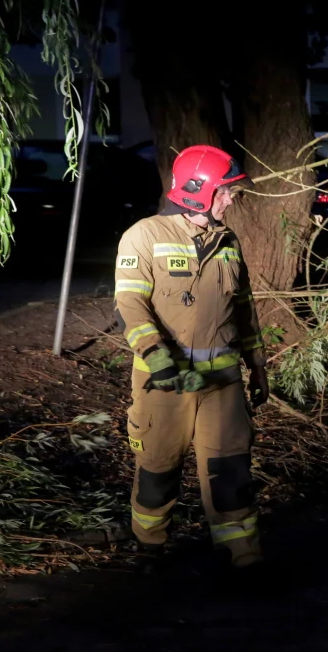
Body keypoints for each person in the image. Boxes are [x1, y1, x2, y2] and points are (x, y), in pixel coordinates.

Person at [112, 144, 269, 573]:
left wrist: (257, 366)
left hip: (222, 385)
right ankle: (149, 547)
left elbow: (243, 307)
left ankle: (244, 556)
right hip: (165, 383)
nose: (232, 199)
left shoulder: (228, 240)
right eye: (226, 191)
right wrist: (155, 356)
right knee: (158, 469)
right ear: (198, 190)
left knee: (230, 473)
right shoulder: (143, 236)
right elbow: (130, 303)